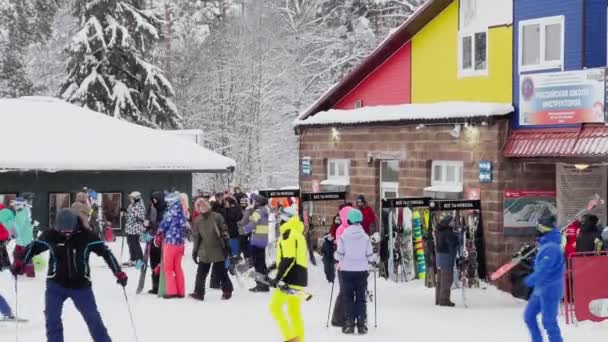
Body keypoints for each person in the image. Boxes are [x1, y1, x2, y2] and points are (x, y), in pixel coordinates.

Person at [11, 209, 127, 342]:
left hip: (81, 286)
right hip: (56, 285)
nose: (66, 233)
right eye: (63, 230)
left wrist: (118, 272)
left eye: (69, 230)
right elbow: (34, 247)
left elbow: (106, 253)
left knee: (93, 319)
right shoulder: (51, 235)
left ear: (75, 225)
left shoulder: (87, 236)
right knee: (52, 319)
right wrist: (20, 262)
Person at [268, 206, 308, 342]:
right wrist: (274, 267)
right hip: (300, 276)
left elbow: (289, 258)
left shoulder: (288, 233)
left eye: (280, 217)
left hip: (290, 278)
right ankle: (299, 340)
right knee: (294, 311)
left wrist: (278, 277)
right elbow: (292, 256)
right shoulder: (297, 232)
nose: (279, 220)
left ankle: (290, 338)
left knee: (275, 307)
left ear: (286, 218)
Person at [524, 214, 564, 342]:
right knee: (529, 316)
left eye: (539, 226)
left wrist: (530, 280)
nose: (536, 229)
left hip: (550, 289)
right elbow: (541, 264)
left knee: (549, 322)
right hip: (540, 288)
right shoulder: (546, 244)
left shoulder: (551, 247)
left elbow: (543, 269)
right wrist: (532, 260)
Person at [335, 209, 375, 335]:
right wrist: (375, 258)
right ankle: (362, 324)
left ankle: (350, 324)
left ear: (349, 220)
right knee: (361, 298)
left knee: (348, 298)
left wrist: (335, 255)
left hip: (347, 272)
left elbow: (339, 255)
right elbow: (370, 256)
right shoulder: (365, 237)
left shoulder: (344, 236)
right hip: (361, 272)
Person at [190, 199, 233, 301]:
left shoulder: (216, 216)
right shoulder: (197, 220)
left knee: (221, 272)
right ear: (198, 208)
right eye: (200, 206)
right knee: (201, 273)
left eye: (204, 205)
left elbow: (224, 229)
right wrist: (195, 252)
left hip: (217, 248)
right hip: (204, 250)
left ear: (208, 206)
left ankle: (227, 290)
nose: (202, 207)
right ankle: (199, 293)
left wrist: (226, 240)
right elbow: (197, 238)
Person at [156, 191, 187, 299]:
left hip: (170, 243)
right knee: (178, 267)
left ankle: (171, 291)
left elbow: (163, 225)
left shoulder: (170, 212)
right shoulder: (183, 210)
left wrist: (158, 234)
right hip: (180, 244)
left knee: (168, 268)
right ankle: (181, 291)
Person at [331, 205, 353, 327]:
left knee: (346, 291)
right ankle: (337, 319)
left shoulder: (348, 228)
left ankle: (343, 316)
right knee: (344, 291)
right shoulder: (341, 229)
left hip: (349, 265)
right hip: (342, 265)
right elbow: (342, 247)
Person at [244, 194, 271, 292]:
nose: (253, 202)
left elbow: (252, 224)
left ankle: (261, 286)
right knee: (262, 263)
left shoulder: (258, 212)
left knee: (257, 264)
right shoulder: (265, 210)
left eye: (254, 201)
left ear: (258, 203)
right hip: (263, 240)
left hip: (256, 241)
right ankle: (265, 284)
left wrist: (244, 228)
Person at [435, 215, 459, 307]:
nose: (453, 223)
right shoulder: (448, 232)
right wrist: (457, 236)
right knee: (447, 279)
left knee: (440, 280)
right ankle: (444, 300)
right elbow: (454, 242)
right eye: (452, 222)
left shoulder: (439, 230)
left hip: (439, 257)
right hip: (447, 257)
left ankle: (438, 299)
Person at [146, 191, 166, 294]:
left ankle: (159, 286)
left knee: (158, 262)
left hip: (161, 241)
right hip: (154, 239)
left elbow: (162, 225)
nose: (153, 202)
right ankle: (155, 286)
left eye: (154, 199)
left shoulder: (164, 211)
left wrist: (151, 224)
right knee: (154, 263)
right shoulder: (156, 209)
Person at [13, 198, 35, 277]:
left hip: (23, 239)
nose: (14, 206)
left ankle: (21, 271)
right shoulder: (25, 211)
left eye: (16, 204)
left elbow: (19, 226)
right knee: (24, 255)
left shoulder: (21, 213)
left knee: (18, 254)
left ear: (20, 205)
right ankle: (27, 272)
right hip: (26, 238)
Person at [124, 191, 146, 267]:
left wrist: (127, 214)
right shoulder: (131, 206)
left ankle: (140, 260)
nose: (130, 200)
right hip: (129, 228)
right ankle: (133, 258)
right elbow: (128, 216)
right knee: (130, 244)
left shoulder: (140, 206)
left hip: (136, 229)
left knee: (135, 244)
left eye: (132, 198)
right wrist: (124, 214)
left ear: (136, 199)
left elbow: (135, 217)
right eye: (130, 198)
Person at [237, 196, 254, 260]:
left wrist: (238, 222)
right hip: (243, 231)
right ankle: (247, 257)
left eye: (244, 203)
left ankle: (250, 258)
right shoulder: (242, 210)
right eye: (242, 203)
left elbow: (244, 220)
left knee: (247, 244)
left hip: (247, 229)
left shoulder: (249, 209)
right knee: (243, 245)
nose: (243, 204)